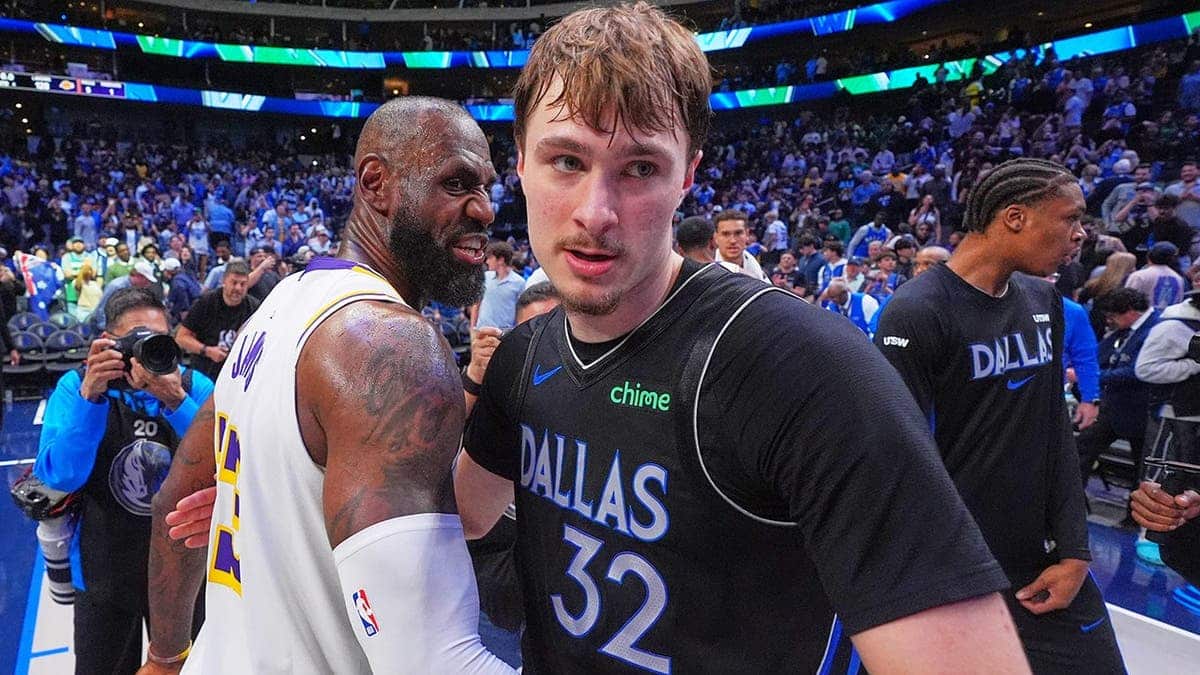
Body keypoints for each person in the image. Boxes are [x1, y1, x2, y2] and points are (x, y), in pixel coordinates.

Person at [454, 4, 1026, 673]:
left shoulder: (804, 368)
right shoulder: (523, 357)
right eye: (566, 160)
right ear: (520, 162)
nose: (595, 212)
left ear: (687, 176)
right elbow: (465, 516)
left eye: (640, 168)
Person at [139, 97, 515, 674]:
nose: (485, 210)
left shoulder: (282, 303)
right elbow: (430, 663)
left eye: (487, 187)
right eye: (457, 183)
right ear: (376, 183)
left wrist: (165, 657)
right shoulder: (391, 344)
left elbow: (174, 505)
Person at [875, 157, 1126, 672]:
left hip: (1042, 560)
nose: (1081, 234)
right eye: (1070, 218)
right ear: (1015, 217)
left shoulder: (1042, 298)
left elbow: (1054, 429)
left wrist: (1075, 547)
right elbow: (901, 461)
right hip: (957, 571)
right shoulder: (916, 311)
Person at [33, 288, 213, 674]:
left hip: (187, 570)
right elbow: (60, 477)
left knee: (197, 667)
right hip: (104, 568)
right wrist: (91, 399)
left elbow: (227, 465)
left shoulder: (194, 387)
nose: (146, 352)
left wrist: (177, 402)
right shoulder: (76, 387)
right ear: (109, 342)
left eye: (158, 339)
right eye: (136, 341)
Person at [1075, 288, 1160, 489]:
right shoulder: (1126, 329)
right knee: (1080, 450)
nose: (1109, 321)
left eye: (1112, 316)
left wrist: (1094, 375)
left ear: (1130, 312)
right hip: (1113, 405)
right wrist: (1084, 369)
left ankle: (1135, 508)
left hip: (1142, 409)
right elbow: (1100, 353)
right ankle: (1070, 500)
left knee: (1143, 468)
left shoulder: (1157, 328)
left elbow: (1138, 372)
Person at [174, 259, 259, 382]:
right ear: (224, 281)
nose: (238, 288)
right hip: (205, 373)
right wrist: (207, 351)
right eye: (234, 283)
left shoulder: (254, 307)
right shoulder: (206, 303)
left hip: (236, 376)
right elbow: (181, 338)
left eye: (243, 284)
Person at [472, 241, 527, 331]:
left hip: (505, 333)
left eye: (490, 258)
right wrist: (472, 328)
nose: (487, 261)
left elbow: (521, 311)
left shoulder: (519, 282)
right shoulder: (485, 277)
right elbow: (476, 304)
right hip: (482, 331)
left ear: (501, 260)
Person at [1126, 242, 1186, 310]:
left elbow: (1127, 300)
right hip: (1168, 315)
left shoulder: (1139, 276)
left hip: (1142, 315)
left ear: (1149, 256)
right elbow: (1178, 302)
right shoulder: (1179, 279)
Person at [713, 209, 768, 280]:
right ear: (716, 237)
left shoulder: (752, 263)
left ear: (747, 235)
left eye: (738, 233)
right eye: (725, 234)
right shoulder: (707, 268)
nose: (733, 241)